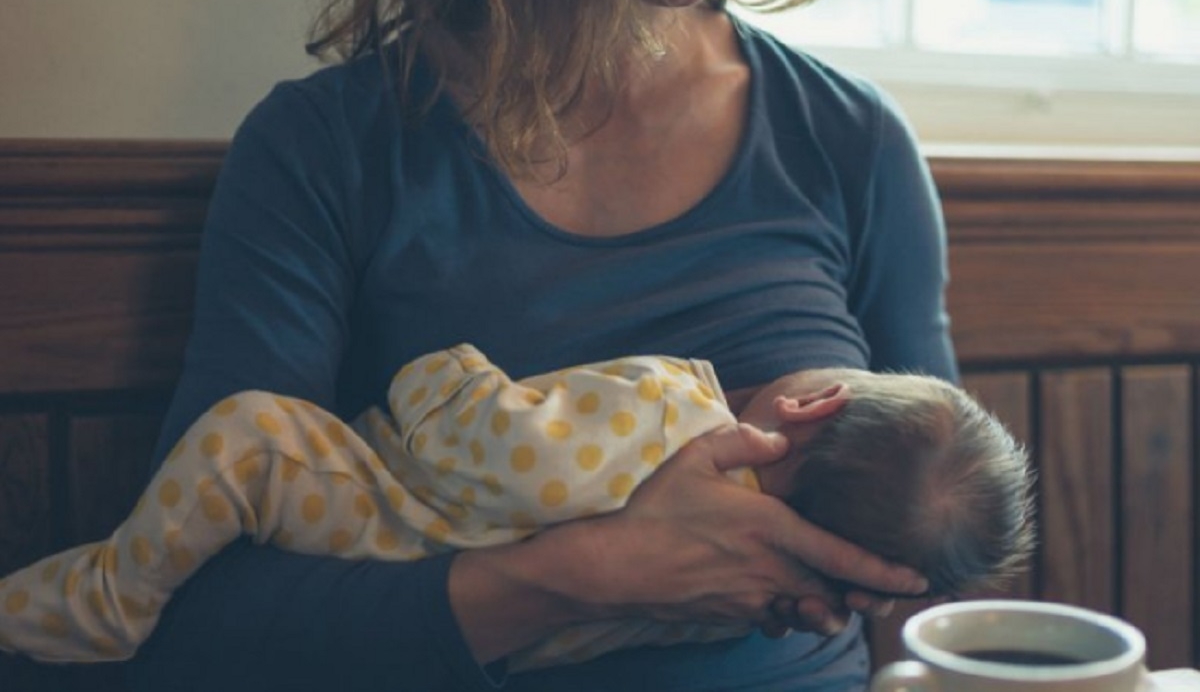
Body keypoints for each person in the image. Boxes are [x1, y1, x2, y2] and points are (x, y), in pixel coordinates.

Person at [116, 0, 962, 689]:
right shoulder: (325, 147)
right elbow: (200, 622)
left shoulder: (851, 139)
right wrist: (591, 574)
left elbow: (934, 526)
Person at [0, 345, 1033, 669]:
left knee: (249, 437)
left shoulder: (671, 407)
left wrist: (442, 375)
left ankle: (108, 595)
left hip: (359, 506)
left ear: (811, 404)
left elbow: (489, 445)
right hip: (415, 617)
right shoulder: (741, 597)